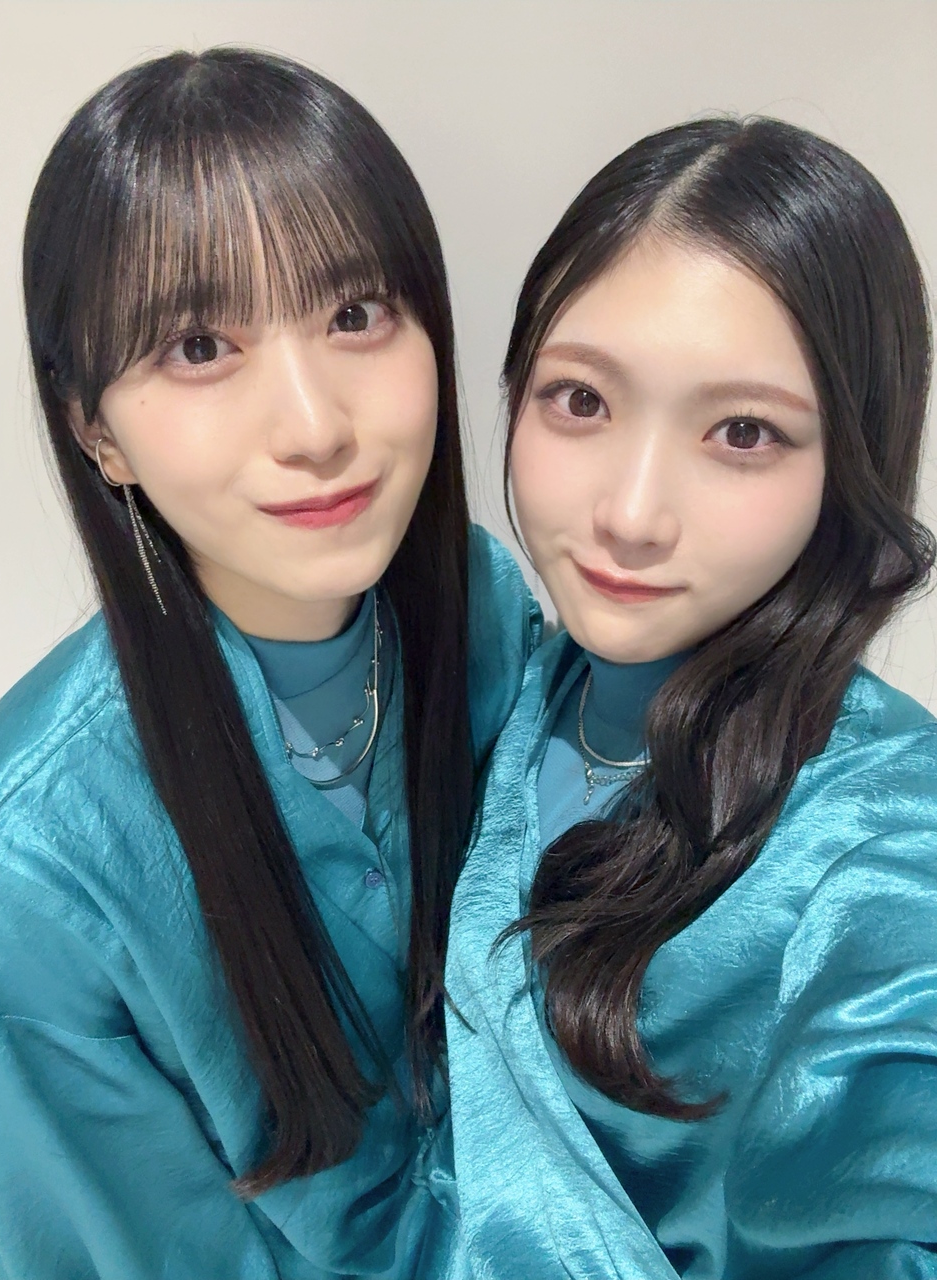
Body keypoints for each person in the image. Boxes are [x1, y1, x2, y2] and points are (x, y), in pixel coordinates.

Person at [0, 48, 539, 1280]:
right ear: (95, 430)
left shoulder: (484, 609)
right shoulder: (25, 873)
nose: (317, 425)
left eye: (355, 314)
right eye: (198, 345)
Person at [444, 117, 937, 1279]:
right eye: (580, 400)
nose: (630, 513)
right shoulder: (509, 681)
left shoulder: (886, 853)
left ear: (850, 461)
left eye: (742, 432)